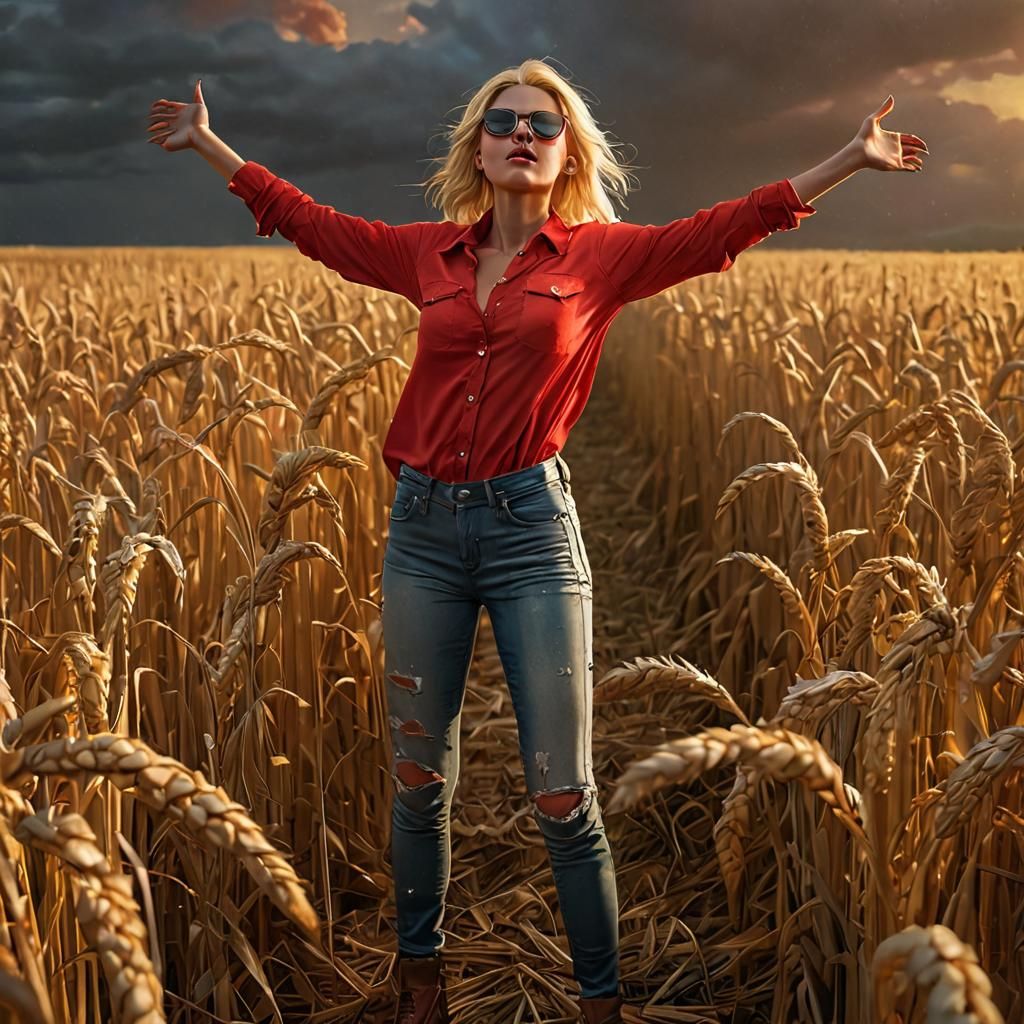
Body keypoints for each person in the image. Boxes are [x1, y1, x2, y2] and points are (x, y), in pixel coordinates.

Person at [146, 59, 928, 1024]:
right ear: (477, 147)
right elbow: (312, 225)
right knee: (418, 778)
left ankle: (598, 1003)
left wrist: (848, 158)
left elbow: (724, 228)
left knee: (564, 794)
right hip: (423, 533)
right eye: (504, 120)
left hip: (531, 536)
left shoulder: (599, 257)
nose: (523, 133)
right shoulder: (424, 253)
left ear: (566, 154)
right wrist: (211, 144)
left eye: (543, 125)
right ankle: (419, 987)